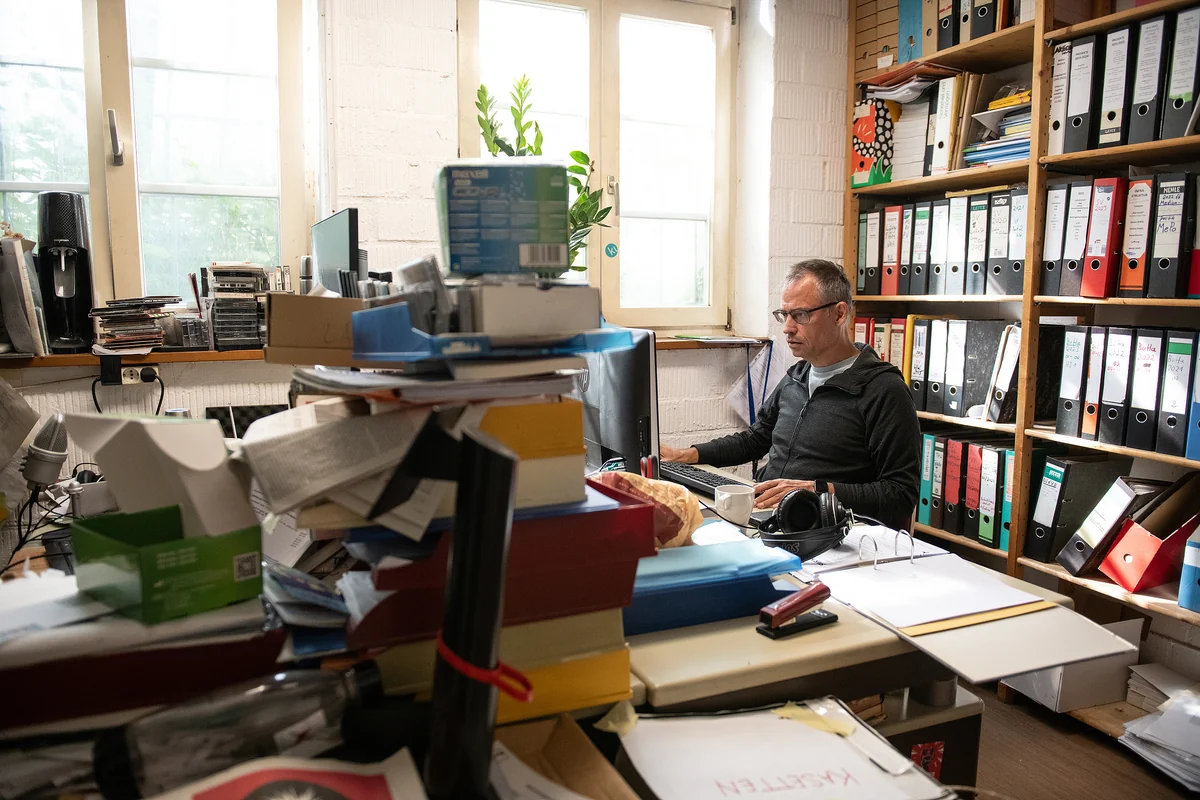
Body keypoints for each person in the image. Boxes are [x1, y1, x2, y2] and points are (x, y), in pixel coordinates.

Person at [660, 259, 921, 531]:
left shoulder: (883, 390)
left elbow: (900, 494)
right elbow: (756, 439)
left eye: (801, 315)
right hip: (768, 519)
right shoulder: (797, 375)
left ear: (839, 314)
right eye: (784, 315)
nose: (787, 327)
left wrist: (819, 490)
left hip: (825, 531)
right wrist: (687, 455)